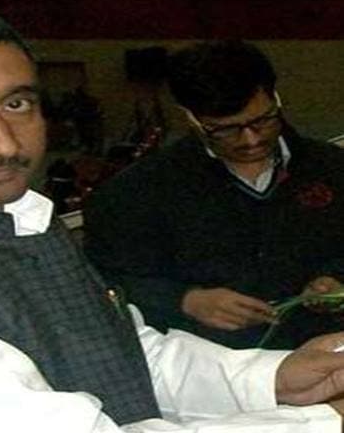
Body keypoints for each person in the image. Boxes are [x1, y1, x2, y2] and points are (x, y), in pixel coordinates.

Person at [0, 3, 344, 433]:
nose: (3, 143)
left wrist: (267, 379)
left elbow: (120, 355)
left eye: (17, 104)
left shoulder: (17, 219)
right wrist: (322, 422)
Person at [83, 40, 344, 350]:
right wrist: (186, 300)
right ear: (190, 117)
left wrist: (335, 278)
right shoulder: (136, 193)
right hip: (208, 362)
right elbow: (102, 280)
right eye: (225, 130)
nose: (251, 139)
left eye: (262, 120)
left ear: (275, 98)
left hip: (327, 350)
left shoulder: (332, 168)